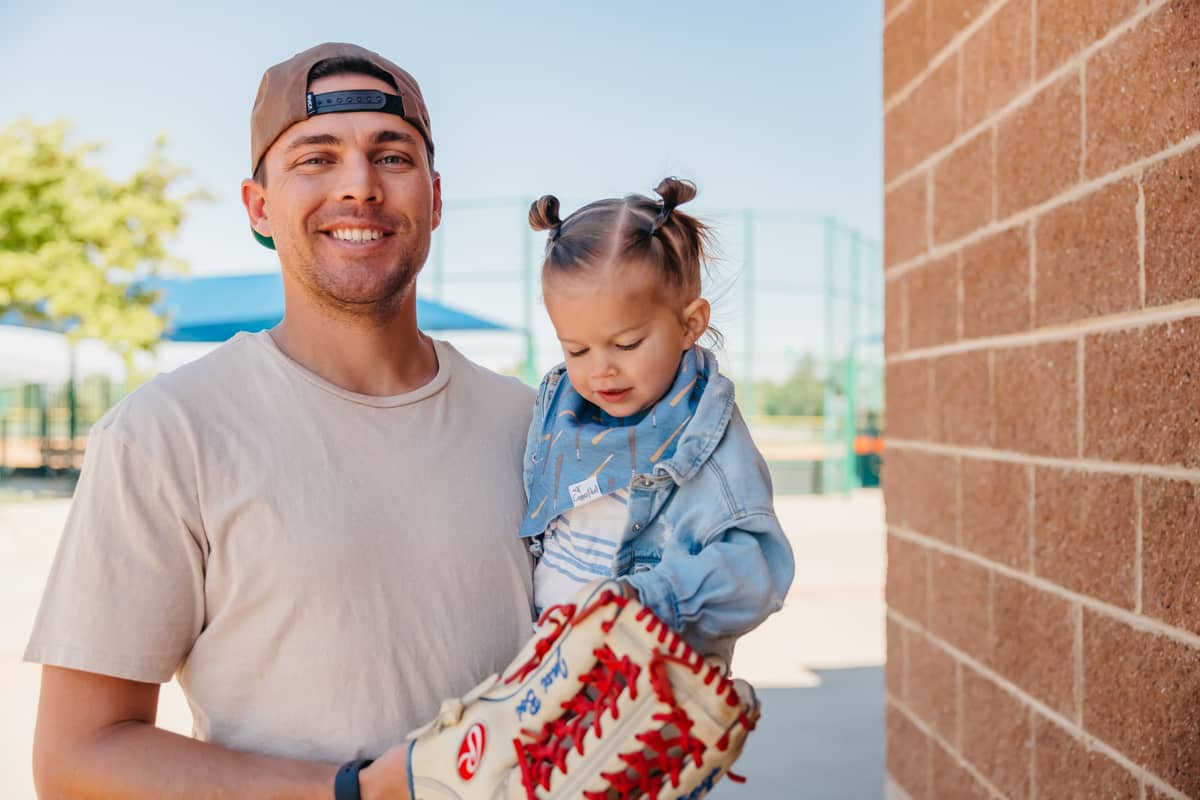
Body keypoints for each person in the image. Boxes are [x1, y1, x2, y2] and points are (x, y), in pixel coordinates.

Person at [25, 42, 533, 799]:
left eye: (391, 156)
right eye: (316, 158)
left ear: (433, 196)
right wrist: (360, 790)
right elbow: (77, 759)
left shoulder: (536, 425)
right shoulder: (167, 433)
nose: (359, 186)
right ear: (259, 206)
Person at [521, 179, 794, 667]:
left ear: (690, 324)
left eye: (626, 345)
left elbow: (759, 571)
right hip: (550, 676)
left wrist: (645, 599)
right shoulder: (558, 407)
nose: (600, 368)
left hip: (642, 693)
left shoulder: (704, 438)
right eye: (576, 349)